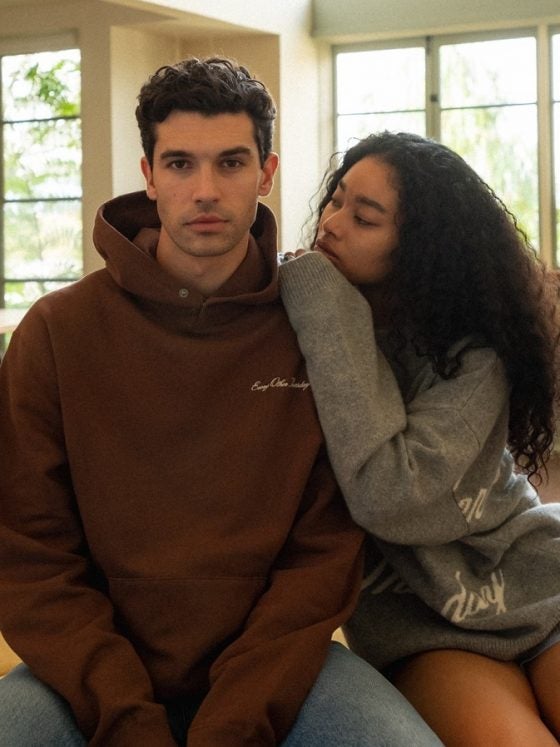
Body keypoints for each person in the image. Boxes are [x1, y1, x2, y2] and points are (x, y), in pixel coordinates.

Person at [0, 61, 443, 746]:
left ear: (265, 173)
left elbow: (322, 555)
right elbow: (31, 556)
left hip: (280, 668)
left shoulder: (319, 329)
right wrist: (127, 719)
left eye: (231, 163)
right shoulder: (57, 332)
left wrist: (234, 724)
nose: (205, 190)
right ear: (148, 175)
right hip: (86, 677)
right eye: (180, 163)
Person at [279, 130, 560, 746]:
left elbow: (397, 490)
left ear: (421, 246)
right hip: (421, 624)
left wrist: (324, 299)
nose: (331, 224)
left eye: (365, 218)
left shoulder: (472, 354)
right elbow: (384, 501)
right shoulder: (309, 316)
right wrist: (327, 301)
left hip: (536, 581)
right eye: (336, 200)